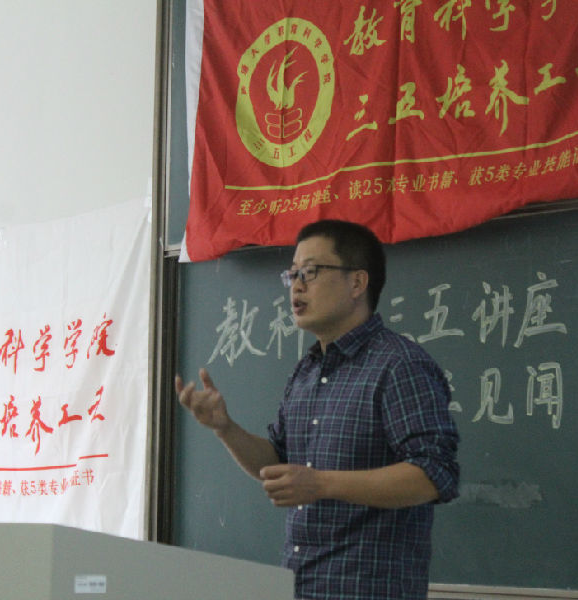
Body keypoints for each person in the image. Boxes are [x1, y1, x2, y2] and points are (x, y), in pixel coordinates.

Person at [176, 219, 460, 600]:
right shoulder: (306, 372)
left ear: (357, 283)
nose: (296, 286)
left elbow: (434, 475)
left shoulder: (399, 365)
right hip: (301, 587)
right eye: (292, 274)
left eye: (310, 272)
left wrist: (322, 483)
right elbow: (276, 462)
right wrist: (225, 428)